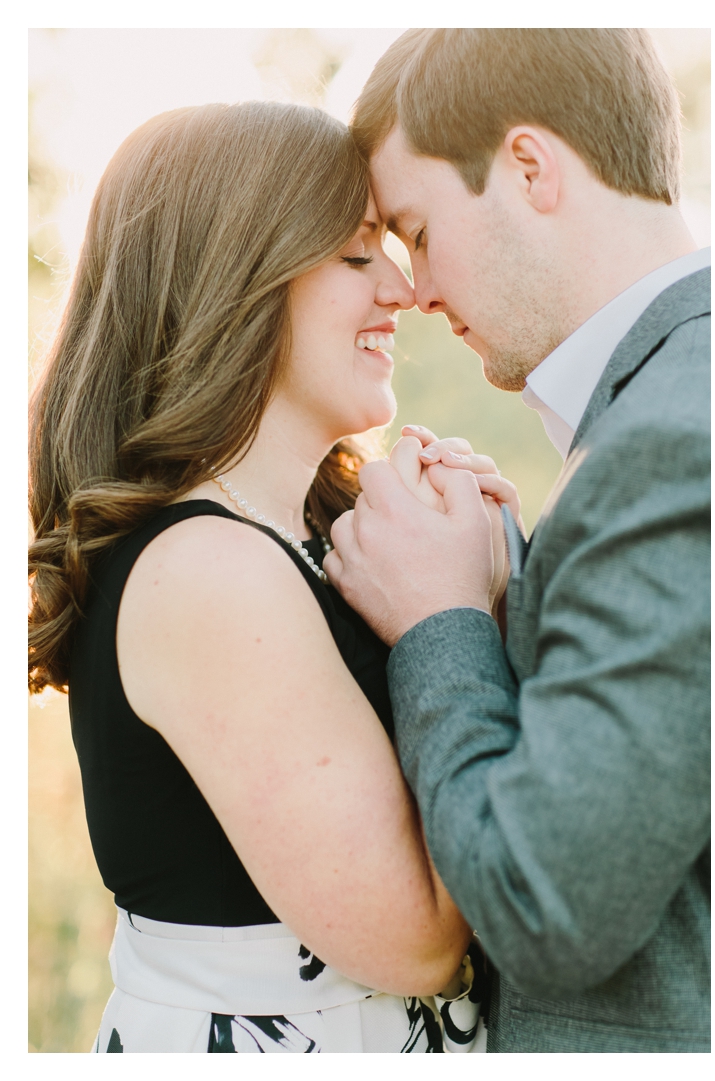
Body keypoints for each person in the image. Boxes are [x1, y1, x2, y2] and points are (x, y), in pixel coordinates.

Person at [27, 101, 486, 1053]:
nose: (401, 289)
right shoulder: (207, 574)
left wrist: (492, 569)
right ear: (237, 279)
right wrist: (459, 610)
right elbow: (422, 941)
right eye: (358, 255)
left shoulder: (305, 538)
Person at [321, 29, 710, 1051]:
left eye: (417, 229)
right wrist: (499, 594)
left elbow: (550, 906)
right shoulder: (657, 398)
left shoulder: (667, 436)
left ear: (529, 168)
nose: (417, 290)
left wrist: (437, 620)